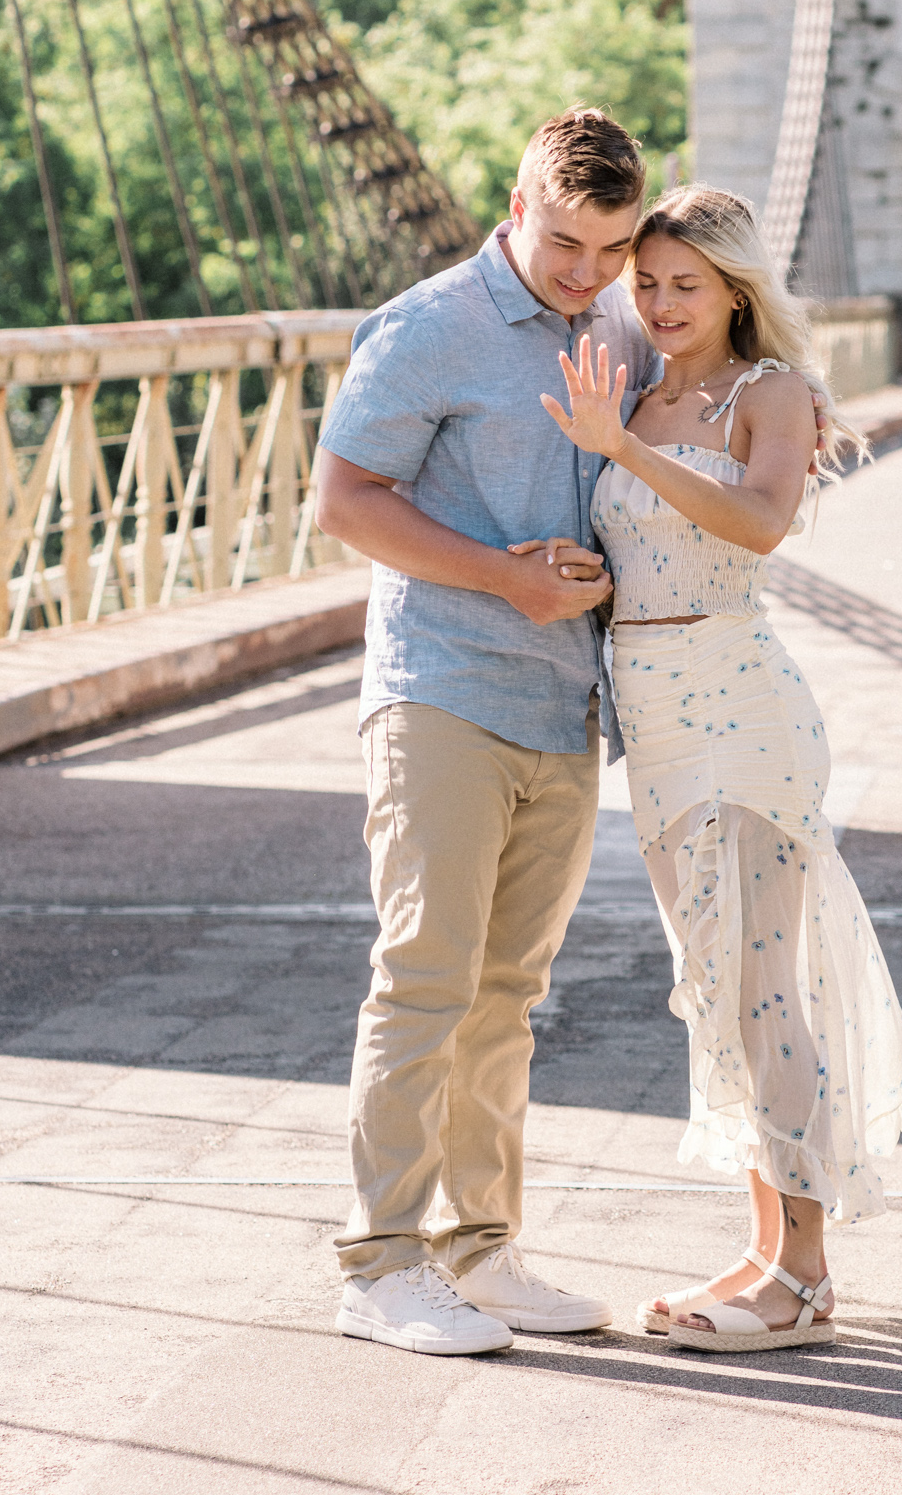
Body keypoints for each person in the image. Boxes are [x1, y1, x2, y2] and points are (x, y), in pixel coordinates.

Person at [540, 184, 902, 1354]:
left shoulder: (767, 395)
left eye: (687, 284)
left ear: (736, 290)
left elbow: (761, 522)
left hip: (742, 710)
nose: (662, 303)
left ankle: (807, 1279)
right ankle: (767, 1248)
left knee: (765, 994)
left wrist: (620, 450)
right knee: (716, 993)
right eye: (648, 283)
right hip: (654, 723)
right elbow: (645, 550)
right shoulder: (636, 385)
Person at [313, 108, 656, 1357]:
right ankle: (380, 1260)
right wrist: (500, 577)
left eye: (612, 248)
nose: (587, 272)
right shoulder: (427, 326)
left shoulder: (622, 327)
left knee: (510, 993)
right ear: (515, 205)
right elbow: (343, 501)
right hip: (442, 686)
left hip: (565, 703)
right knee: (425, 977)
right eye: (566, 241)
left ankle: (480, 1246)